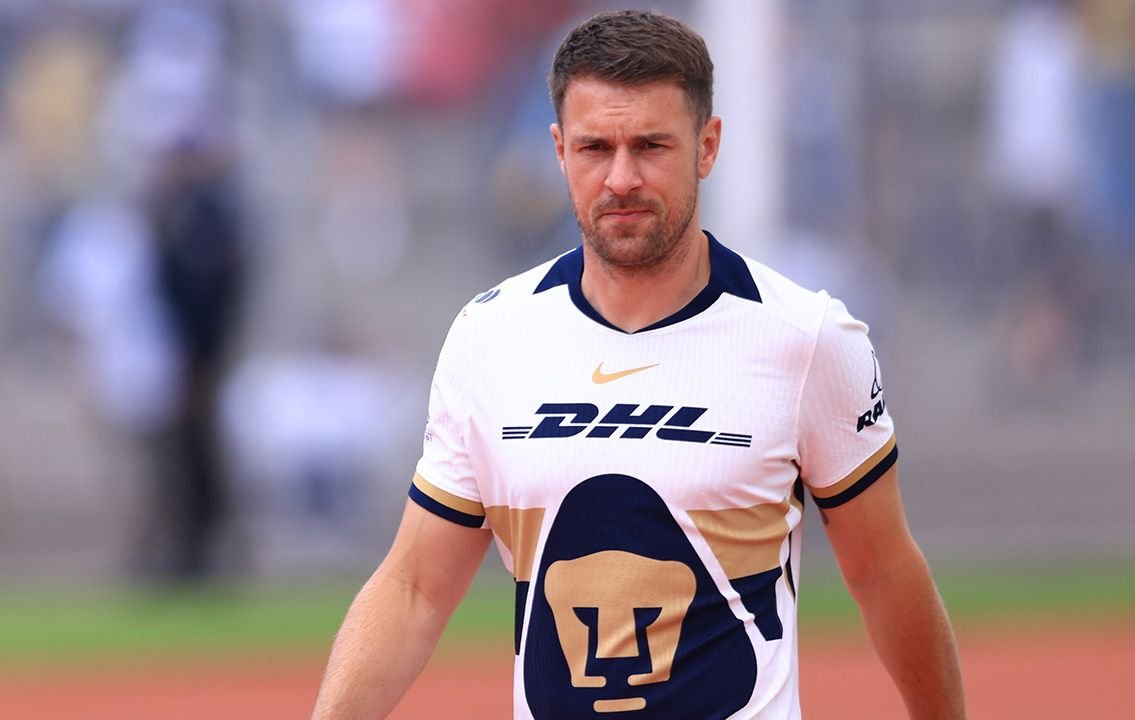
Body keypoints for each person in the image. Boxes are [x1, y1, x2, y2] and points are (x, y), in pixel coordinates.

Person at [312, 10, 965, 719]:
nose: (621, 178)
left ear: (707, 146)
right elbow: (414, 589)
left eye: (651, 145)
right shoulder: (489, 337)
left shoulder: (806, 339)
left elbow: (883, 571)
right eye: (595, 147)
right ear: (559, 151)